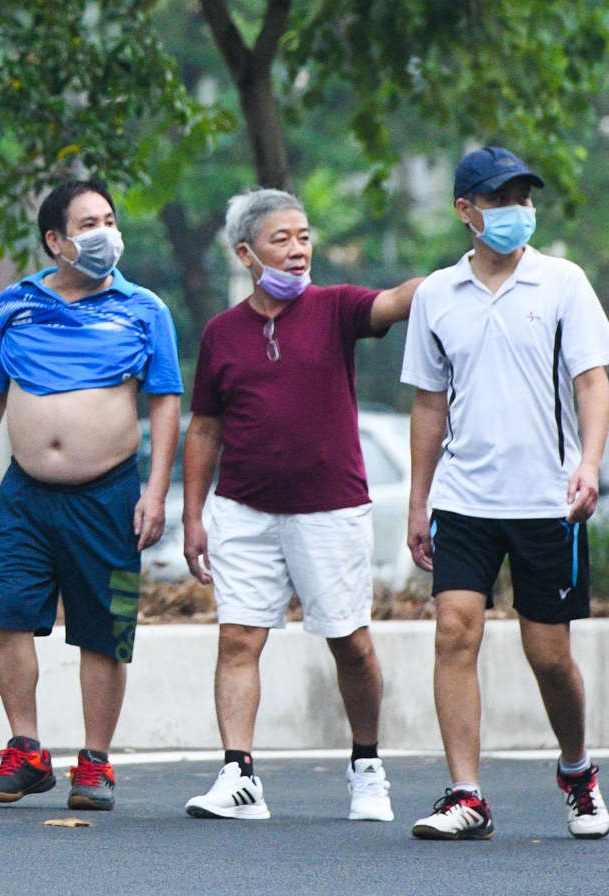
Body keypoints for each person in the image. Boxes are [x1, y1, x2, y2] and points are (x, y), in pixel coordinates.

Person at [400, 146, 609, 841]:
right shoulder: (438, 294)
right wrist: (419, 500)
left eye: (524, 197)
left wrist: (588, 465)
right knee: (454, 631)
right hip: (465, 498)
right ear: (467, 212)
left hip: (547, 502)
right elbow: (429, 404)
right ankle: (466, 795)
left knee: (548, 655)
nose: (516, 211)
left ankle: (577, 770)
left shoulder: (562, 284)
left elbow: (592, 381)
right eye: (500, 200)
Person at [179, 189, 422, 823]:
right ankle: (239, 775)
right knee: (237, 640)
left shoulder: (337, 308)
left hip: (330, 508)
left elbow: (396, 301)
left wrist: (464, 271)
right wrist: (192, 514)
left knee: (350, 643)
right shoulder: (221, 334)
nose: (297, 250)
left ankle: (367, 766)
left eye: (304, 236)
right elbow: (204, 427)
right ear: (246, 253)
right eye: (280, 240)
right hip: (244, 511)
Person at [0, 180, 182, 812]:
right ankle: (26, 752)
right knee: (8, 612)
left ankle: (95, 763)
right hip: (25, 494)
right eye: (88, 224)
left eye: (109, 219)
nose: (105, 233)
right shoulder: (13, 304)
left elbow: (165, 400)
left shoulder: (145, 309)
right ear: (56, 241)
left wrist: (156, 490)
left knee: (104, 630)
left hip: (108, 495)